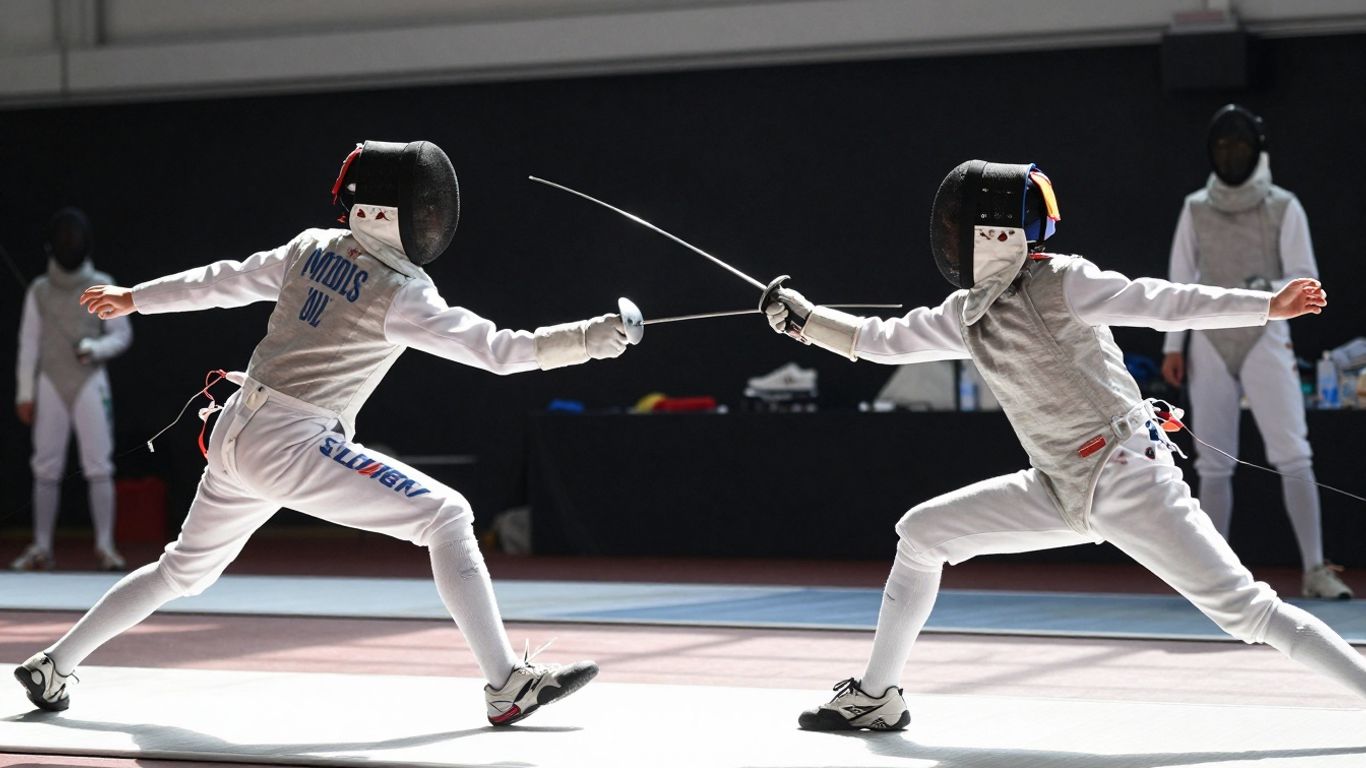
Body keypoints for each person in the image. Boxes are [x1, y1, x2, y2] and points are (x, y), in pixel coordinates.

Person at [14, 140, 628, 726]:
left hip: (236, 428)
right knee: (448, 517)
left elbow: (221, 281)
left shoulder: (310, 248)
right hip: (291, 440)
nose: (434, 217)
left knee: (180, 572)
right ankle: (506, 687)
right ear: (398, 215)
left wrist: (136, 298)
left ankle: (53, 665)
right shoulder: (401, 293)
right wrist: (591, 340)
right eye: (427, 206)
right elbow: (501, 351)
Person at [763, 160, 1365, 731]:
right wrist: (805, 319)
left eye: (956, 226)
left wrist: (1266, 304)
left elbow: (1161, 301)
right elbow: (880, 340)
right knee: (921, 535)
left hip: (1127, 473)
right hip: (1056, 484)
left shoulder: (1065, 280)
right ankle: (877, 698)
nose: (949, 238)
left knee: (1248, 612)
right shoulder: (965, 314)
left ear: (990, 231)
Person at [1161, 104, 1350, 600]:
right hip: (1208, 337)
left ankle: (1313, 568)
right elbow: (1180, 280)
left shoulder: (1284, 206)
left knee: (1293, 453)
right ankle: (1215, 578)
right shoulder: (1195, 206)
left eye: (1239, 145)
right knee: (1213, 462)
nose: (1230, 153)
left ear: (1257, 150)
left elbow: (1304, 273)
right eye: (1222, 146)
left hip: (1267, 336)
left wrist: (1268, 296)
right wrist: (1172, 345)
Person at [13, 208, 133, 572]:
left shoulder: (102, 283)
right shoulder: (39, 290)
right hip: (49, 381)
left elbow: (122, 334)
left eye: (73, 238)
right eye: (64, 238)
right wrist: (24, 394)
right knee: (46, 467)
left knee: (99, 465)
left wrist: (95, 349)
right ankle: (41, 548)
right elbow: (29, 344)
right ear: (53, 244)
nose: (69, 244)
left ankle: (105, 546)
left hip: (90, 381)